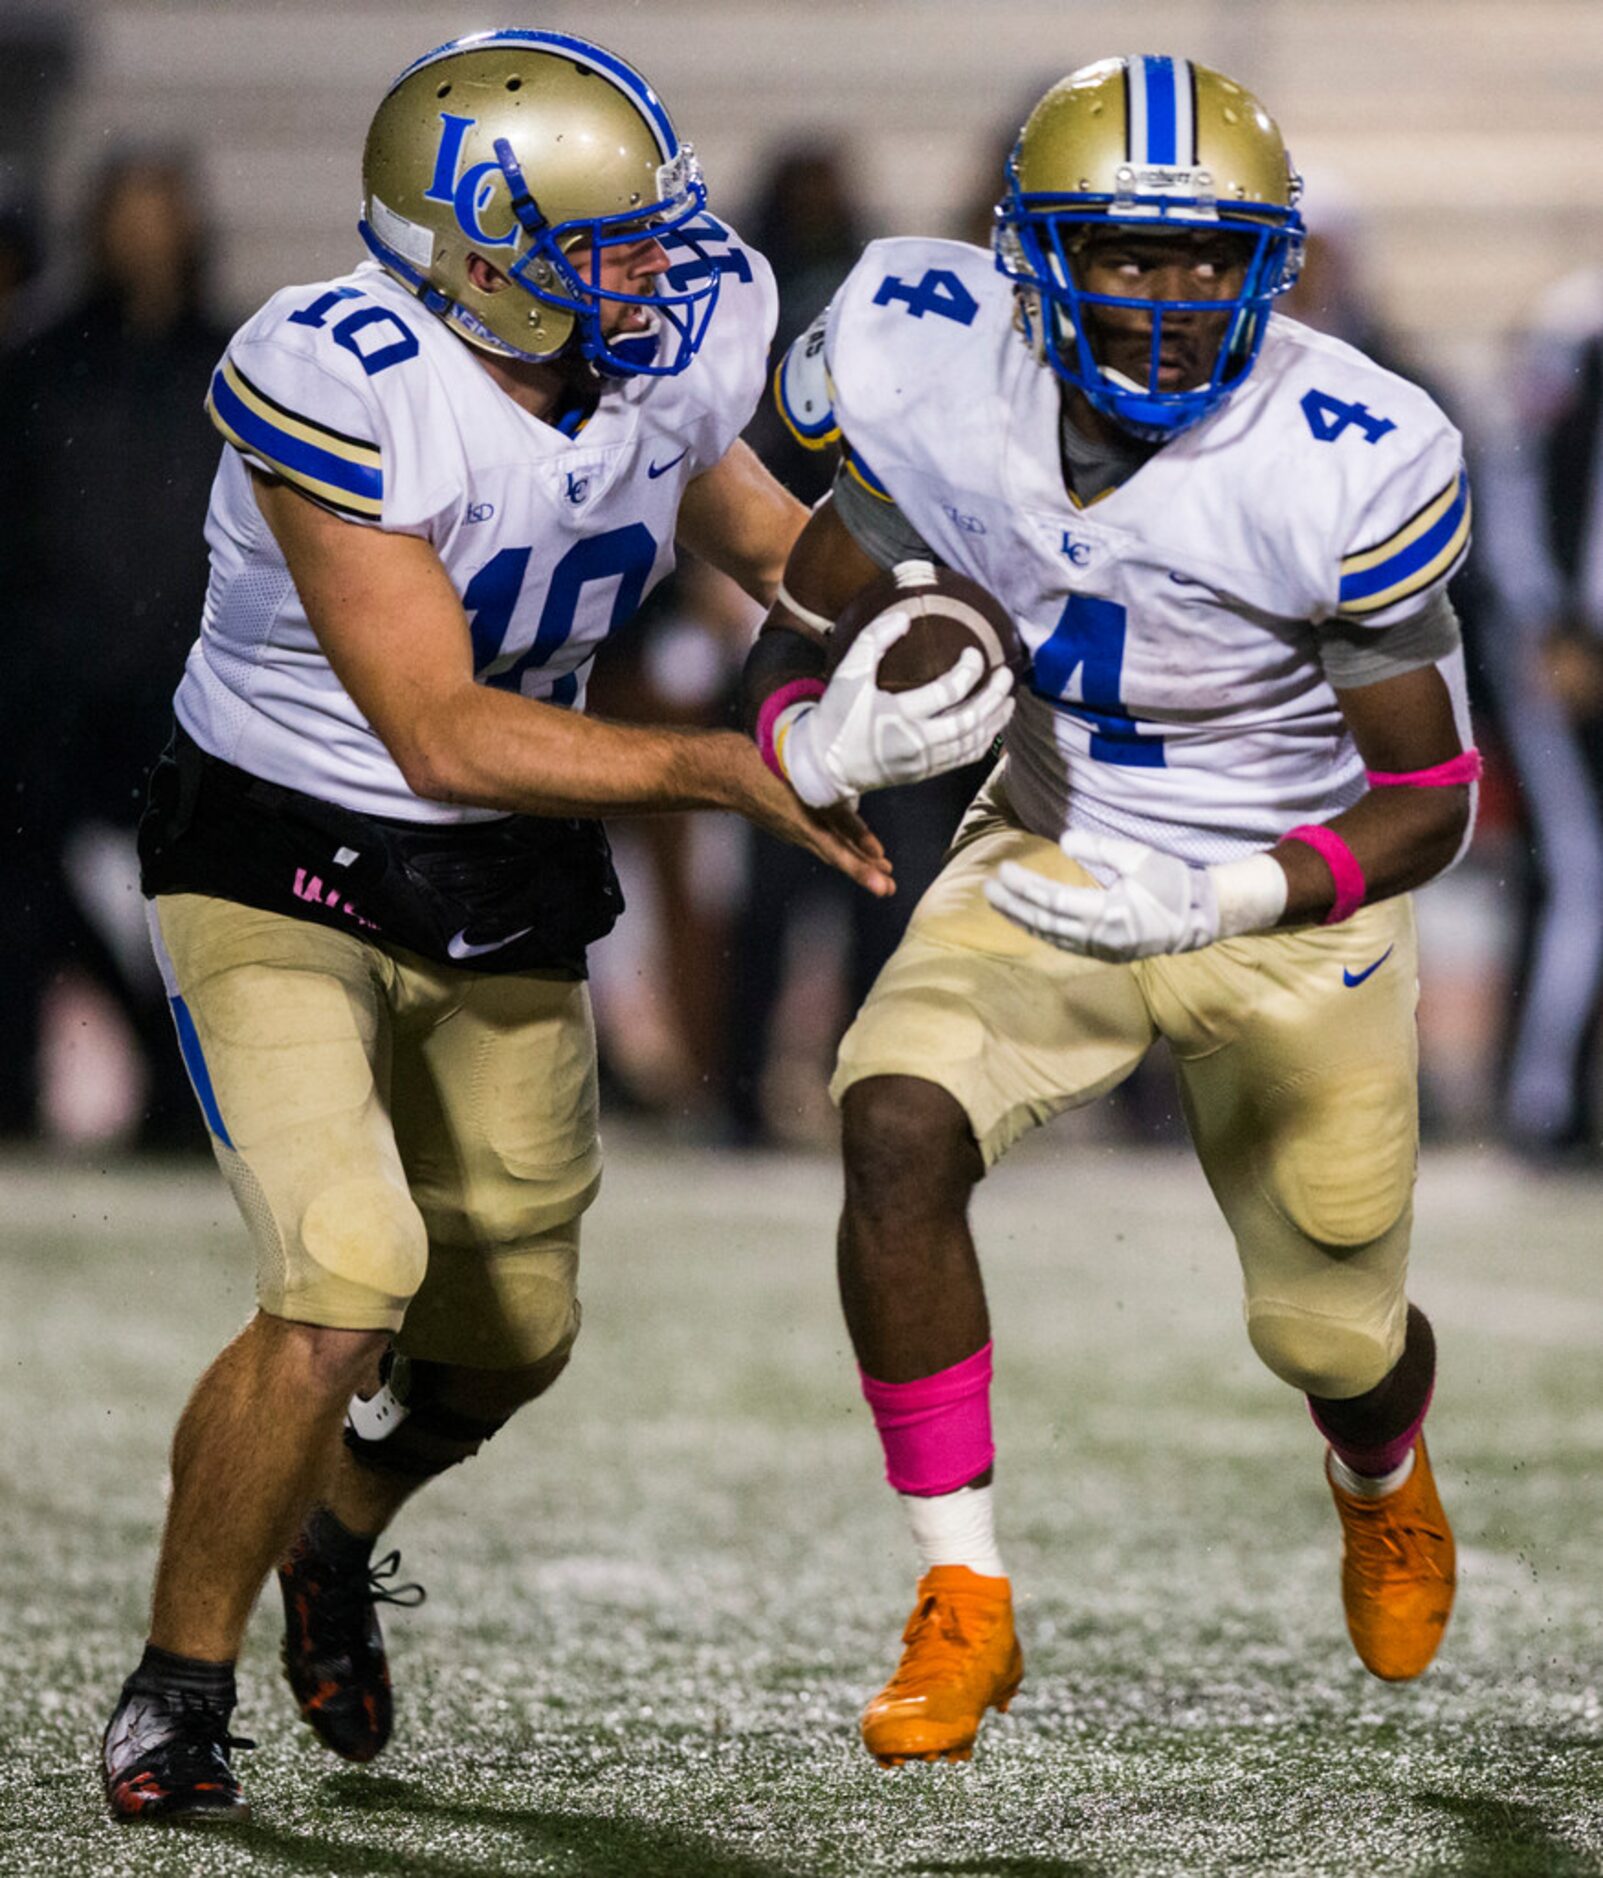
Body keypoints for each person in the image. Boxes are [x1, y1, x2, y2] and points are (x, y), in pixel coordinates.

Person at [98, 27, 921, 1826]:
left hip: (502, 876)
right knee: (340, 1276)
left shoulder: (651, 338)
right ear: (477, 248)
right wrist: (724, 761)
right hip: (283, 848)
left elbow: (756, 534)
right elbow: (439, 726)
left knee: (514, 1331)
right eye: (607, 242)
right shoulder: (343, 371)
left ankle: (343, 1521)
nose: (658, 269)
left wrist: (937, 583)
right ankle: (178, 1685)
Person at [744, 55, 1474, 1764]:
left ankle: (1378, 1469)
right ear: (1026, 253)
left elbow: (1427, 798)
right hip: (1055, 840)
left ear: (1267, 265)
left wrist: (1223, 890)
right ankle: (960, 1593)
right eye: (1123, 253)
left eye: (1205, 256)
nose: (1165, 297)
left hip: (1290, 891)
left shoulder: (1341, 450)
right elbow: (794, 617)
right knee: (892, 1121)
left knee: (1326, 1327)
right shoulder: (929, 364)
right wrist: (810, 731)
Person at [0, 151, 230, 1147]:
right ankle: (16, 1089)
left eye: (159, 212)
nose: (143, 234)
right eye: (125, 213)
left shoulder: (240, 366)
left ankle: (184, 1105)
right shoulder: (38, 366)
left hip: (191, 680)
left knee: (200, 902)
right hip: (52, 677)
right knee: (22, 888)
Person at [1480, 266, 1603, 1159]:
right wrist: (1548, 620)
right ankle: (1543, 1104)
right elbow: (1517, 482)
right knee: (1585, 874)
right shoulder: (1579, 325)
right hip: (1579, 654)